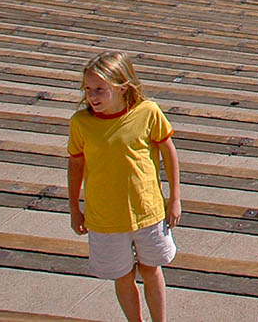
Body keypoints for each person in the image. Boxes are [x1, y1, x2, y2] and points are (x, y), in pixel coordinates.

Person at [68, 51, 181, 322]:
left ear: (122, 86)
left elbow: (168, 152)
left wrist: (174, 198)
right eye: (88, 89)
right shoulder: (81, 123)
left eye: (99, 89)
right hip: (105, 218)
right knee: (122, 276)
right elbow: (75, 167)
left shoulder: (147, 112)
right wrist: (74, 208)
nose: (92, 96)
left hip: (148, 211)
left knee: (151, 269)